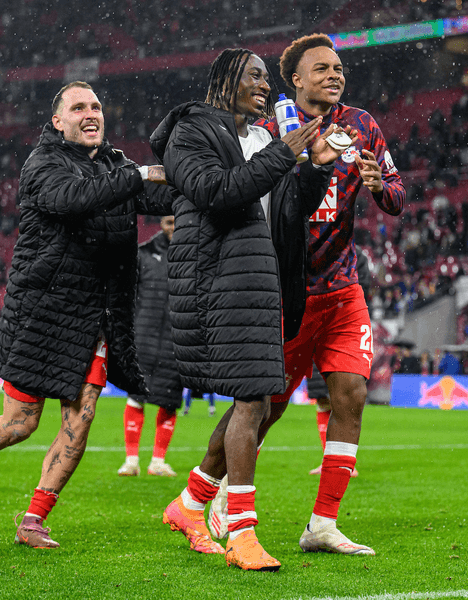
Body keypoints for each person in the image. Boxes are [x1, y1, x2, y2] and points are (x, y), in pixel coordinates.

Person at [149, 47, 350, 571]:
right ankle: (240, 531)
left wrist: (317, 169)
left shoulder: (262, 138)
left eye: (266, 78)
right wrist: (284, 154)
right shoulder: (192, 132)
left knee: (256, 400)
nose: (265, 85)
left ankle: (192, 503)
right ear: (225, 80)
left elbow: (288, 210)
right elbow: (215, 192)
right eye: (254, 76)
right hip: (216, 279)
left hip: (261, 280)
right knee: (253, 399)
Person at [0, 81, 172, 548]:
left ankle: (33, 519)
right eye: (78, 108)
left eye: (96, 106)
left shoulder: (116, 165)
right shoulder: (43, 163)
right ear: (58, 121)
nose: (91, 113)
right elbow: (73, 199)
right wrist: (139, 175)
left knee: (81, 418)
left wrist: (202, 176)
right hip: (44, 312)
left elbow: (164, 199)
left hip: (96, 316)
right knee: (21, 423)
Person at [209, 33, 407, 557]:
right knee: (263, 408)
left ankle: (323, 523)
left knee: (352, 395)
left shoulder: (361, 125)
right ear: (295, 79)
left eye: (338, 68)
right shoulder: (270, 129)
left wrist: (378, 185)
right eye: (321, 68)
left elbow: (396, 194)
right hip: (285, 288)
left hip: (342, 286)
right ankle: (216, 485)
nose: (334, 74)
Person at [119, 215, 182, 478]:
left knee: (169, 401)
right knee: (136, 396)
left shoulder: (192, 256)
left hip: (175, 341)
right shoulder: (143, 254)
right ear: (161, 224)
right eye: (168, 222)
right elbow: (127, 296)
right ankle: (131, 460)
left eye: (177, 222)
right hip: (143, 338)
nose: (173, 227)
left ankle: (158, 461)